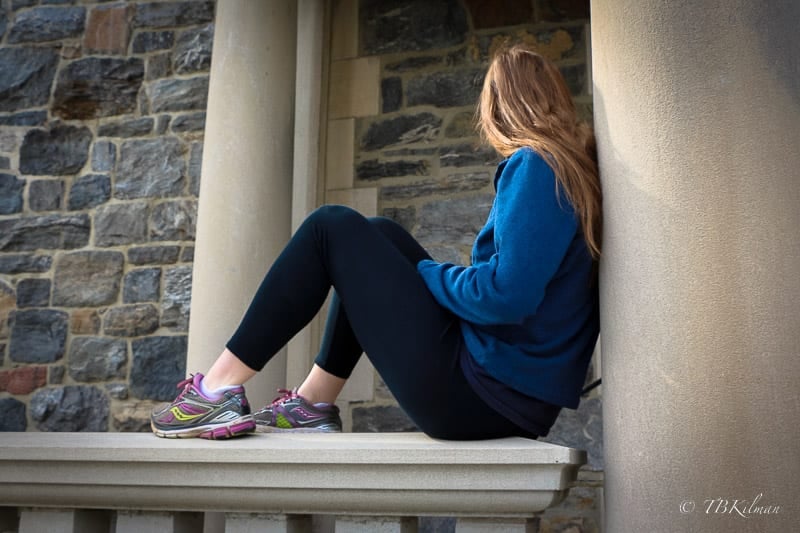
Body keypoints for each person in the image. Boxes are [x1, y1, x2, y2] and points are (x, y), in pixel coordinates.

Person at [150, 44, 602, 441]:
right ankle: (311, 404)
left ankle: (213, 392)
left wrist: (427, 275)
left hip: (480, 396)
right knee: (379, 234)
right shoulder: (572, 172)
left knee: (331, 226)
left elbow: (507, 296)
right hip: (502, 394)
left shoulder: (538, 166)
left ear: (498, 108)